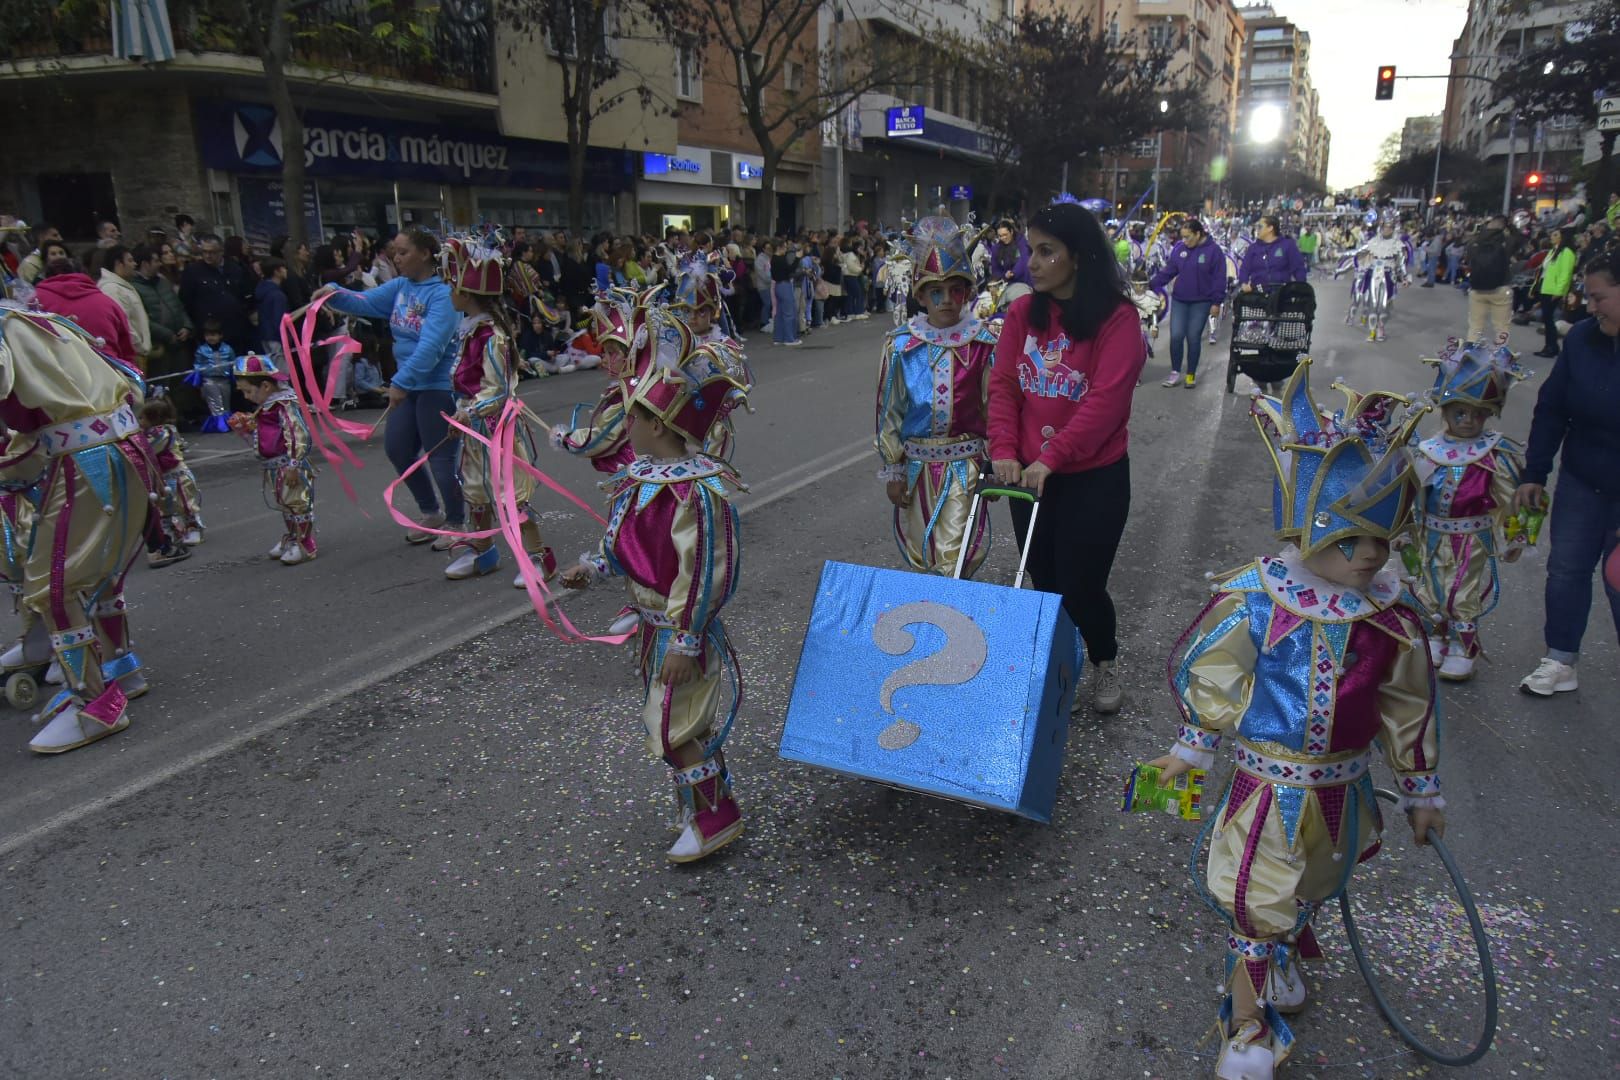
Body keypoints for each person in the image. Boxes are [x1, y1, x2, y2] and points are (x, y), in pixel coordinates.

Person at [1145, 361, 1441, 1080]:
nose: (1370, 557)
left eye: (1381, 542)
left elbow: (1408, 702)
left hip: (1345, 793)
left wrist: (1423, 788)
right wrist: (1190, 747)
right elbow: (1212, 670)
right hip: (1266, 791)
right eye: (1351, 542)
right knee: (1255, 902)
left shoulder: (1391, 620)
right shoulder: (1261, 600)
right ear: (1310, 531)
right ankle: (1246, 1031)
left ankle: (1279, 958)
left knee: (1310, 889)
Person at [559, 325, 750, 864]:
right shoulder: (642, 478)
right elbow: (621, 539)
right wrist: (591, 566)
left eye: (635, 418)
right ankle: (703, 804)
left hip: (679, 632)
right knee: (683, 723)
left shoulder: (697, 491)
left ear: (660, 425)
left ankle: (717, 816)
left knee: (669, 728)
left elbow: (707, 569)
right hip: (652, 628)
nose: (626, 429)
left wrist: (687, 640)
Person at [986, 201, 1147, 715]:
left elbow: (1106, 402)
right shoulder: (1019, 313)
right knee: (1044, 580)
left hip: (1092, 476)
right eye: (1030, 251)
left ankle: (1103, 659)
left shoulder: (1117, 320)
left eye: (1045, 251)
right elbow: (1006, 387)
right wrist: (1005, 450)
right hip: (1030, 477)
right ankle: (1058, 666)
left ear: (1077, 256)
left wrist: (1052, 458)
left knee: (1082, 584)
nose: (1030, 263)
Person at [0, 306, 155, 753]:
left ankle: (94, 707)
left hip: (86, 460)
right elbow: (130, 378)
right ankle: (122, 669)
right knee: (103, 573)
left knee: (54, 588)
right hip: (126, 446)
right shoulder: (42, 319)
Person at [1513, 247, 1620, 695]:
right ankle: (1561, 659)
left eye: (1599, 297)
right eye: (1587, 297)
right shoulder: (1581, 340)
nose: (1589, 307)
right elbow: (1553, 407)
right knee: (1566, 570)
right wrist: (1534, 471)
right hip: (1583, 478)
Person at [316, 229, 464, 544]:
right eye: (394, 253)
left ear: (425, 254)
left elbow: (432, 346)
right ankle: (431, 511)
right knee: (397, 448)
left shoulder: (443, 295)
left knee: (441, 459)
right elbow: (363, 302)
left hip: (436, 386)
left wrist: (401, 382)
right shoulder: (400, 287)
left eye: (403, 252)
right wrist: (332, 292)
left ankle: (457, 521)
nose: (396, 259)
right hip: (407, 385)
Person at [875, 216, 1000, 578]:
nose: (947, 300)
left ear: (967, 293)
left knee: (955, 558)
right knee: (923, 557)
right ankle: (933, 626)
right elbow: (890, 411)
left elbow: (994, 407)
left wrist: (992, 462)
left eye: (956, 291)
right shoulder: (901, 346)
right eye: (936, 292)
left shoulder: (983, 343)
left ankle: (955, 623)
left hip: (966, 467)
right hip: (916, 470)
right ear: (920, 295)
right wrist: (894, 469)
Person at [439, 235, 557, 587]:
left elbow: (500, 389)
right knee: (475, 491)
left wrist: (470, 413)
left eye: (452, 286)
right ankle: (482, 551)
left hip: (497, 427)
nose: (448, 293)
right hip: (474, 426)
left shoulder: (493, 336)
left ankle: (540, 558)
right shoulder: (470, 331)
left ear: (467, 292)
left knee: (509, 495)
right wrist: (462, 417)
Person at [1408, 338, 1527, 681]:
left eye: (1478, 414)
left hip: (1472, 538)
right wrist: (1404, 532)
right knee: (1429, 588)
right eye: (1460, 412)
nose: (1468, 420)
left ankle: (1464, 647)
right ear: (1444, 411)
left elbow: (1515, 496)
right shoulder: (1427, 451)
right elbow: (1411, 496)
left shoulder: (1494, 453)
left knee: (1462, 591)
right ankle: (1435, 637)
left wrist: (1516, 537)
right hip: (1429, 534)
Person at [227, 353, 316, 565]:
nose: (246, 396)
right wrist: (246, 429)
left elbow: (297, 434)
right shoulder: (266, 407)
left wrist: (294, 464)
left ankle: (305, 543)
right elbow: (265, 435)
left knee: (297, 502)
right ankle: (293, 536)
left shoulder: (284, 405)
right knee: (285, 503)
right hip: (274, 465)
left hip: (288, 464)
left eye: (248, 391)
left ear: (266, 386)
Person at [1147, 217, 1227, 388]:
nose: (1184, 241)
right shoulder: (1180, 250)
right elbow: (1168, 271)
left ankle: (1190, 374)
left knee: (1193, 337)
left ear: (1198, 234)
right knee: (1176, 336)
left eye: (1188, 237)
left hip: (1202, 301)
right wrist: (1150, 285)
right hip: (1180, 300)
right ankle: (1175, 372)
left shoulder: (1214, 251)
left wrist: (1216, 302)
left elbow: (1219, 279)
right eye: (1182, 237)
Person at [33, 256, 139, 367]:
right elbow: (127, 353)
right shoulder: (109, 303)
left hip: (56, 376)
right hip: (107, 373)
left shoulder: (34, 302)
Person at [139, 397, 205, 548]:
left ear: (153, 418)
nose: (139, 421)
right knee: (163, 505)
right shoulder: (147, 433)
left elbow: (149, 449)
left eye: (142, 417)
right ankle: (170, 530)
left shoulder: (164, 432)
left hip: (177, 475)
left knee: (185, 503)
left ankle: (193, 527)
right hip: (159, 477)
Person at [179, 233, 256, 353]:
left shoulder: (235, 268)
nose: (208, 255)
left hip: (236, 329)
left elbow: (246, 294)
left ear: (221, 251)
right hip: (210, 333)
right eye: (204, 252)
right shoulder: (193, 272)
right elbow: (185, 300)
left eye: (212, 252)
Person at [130, 243, 193, 373]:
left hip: (180, 344)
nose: (160, 264)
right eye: (156, 261)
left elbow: (179, 307)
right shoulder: (134, 288)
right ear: (145, 264)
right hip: (159, 347)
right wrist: (167, 334)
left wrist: (187, 326)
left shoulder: (163, 282)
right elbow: (142, 319)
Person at [1465, 216, 1518, 342]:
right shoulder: (1506, 242)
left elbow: (1469, 260)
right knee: (1501, 327)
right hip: (1501, 288)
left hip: (1477, 288)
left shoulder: (1474, 241)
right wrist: (1511, 228)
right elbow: (1520, 239)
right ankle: (1499, 358)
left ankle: (1470, 355)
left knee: (1475, 326)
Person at [97, 244, 153, 360]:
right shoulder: (112, 289)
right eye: (130, 260)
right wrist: (139, 348)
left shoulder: (122, 286)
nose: (135, 264)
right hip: (131, 355)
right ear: (119, 264)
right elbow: (124, 324)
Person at [1533, 227, 1577, 358]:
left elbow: (1566, 273)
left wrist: (1559, 291)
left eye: (1555, 235)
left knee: (1549, 318)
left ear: (1562, 237)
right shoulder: (1554, 250)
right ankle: (1550, 346)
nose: (1552, 237)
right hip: (1546, 287)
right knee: (1546, 319)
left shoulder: (1567, 252)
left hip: (1553, 290)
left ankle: (1552, 346)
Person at [1236, 215, 1307, 292]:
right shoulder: (1253, 248)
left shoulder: (1287, 245)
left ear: (1270, 228)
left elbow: (1298, 268)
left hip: (1282, 293)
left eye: (1260, 227)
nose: (1257, 230)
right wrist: (1244, 283)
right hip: (1258, 294)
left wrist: (1300, 288)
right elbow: (1244, 269)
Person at [191, 320, 237, 431]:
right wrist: (199, 381)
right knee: (216, 404)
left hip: (224, 380)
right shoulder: (201, 350)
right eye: (207, 335)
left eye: (213, 335)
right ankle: (221, 426)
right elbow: (197, 365)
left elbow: (233, 363)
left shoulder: (228, 349)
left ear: (220, 335)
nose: (210, 338)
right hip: (209, 381)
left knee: (226, 404)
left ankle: (228, 423)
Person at [254, 256, 291, 362]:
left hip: (265, 336)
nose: (286, 270)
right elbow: (279, 321)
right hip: (277, 338)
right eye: (284, 268)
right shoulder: (277, 295)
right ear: (277, 271)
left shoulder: (262, 290)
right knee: (282, 373)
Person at [770, 240, 801, 346]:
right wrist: (797, 258)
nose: (786, 249)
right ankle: (789, 338)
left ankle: (778, 338)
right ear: (779, 247)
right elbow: (790, 269)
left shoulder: (773, 258)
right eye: (784, 247)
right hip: (784, 285)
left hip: (777, 286)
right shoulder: (780, 259)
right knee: (789, 312)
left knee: (779, 313)